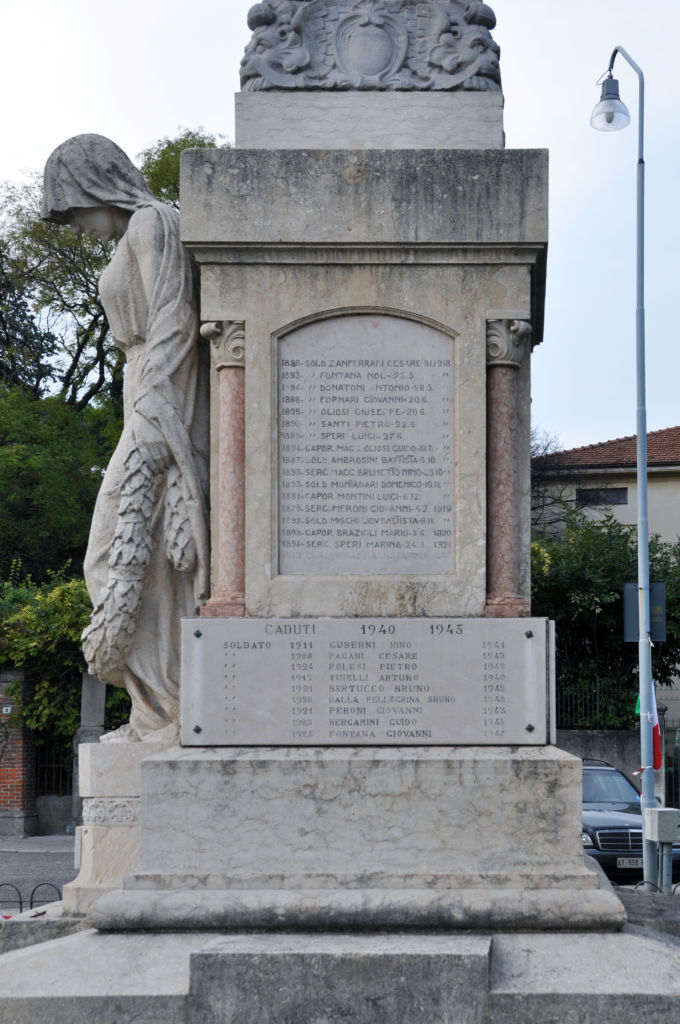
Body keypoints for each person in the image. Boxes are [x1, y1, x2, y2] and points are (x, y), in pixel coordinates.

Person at [42, 134, 209, 741]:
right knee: (129, 554)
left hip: (163, 396)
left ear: (96, 185)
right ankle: (156, 708)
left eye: (73, 211)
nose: (76, 228)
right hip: (142, 390)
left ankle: (169, 706)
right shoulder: (133, 235)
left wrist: (155, 412)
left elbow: (175, 318)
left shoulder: (152, 222)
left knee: (125, 553)